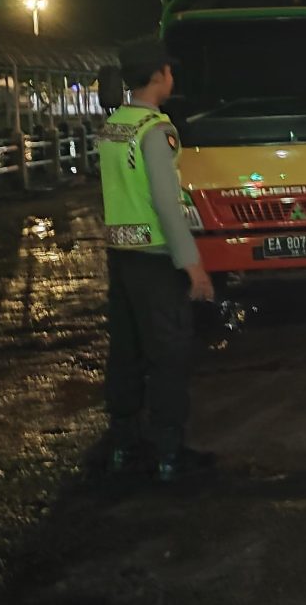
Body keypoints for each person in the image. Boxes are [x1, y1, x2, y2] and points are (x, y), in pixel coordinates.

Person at [96, 37, 216, 483]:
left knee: (126, 351)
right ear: (160, 74)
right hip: (155, 258)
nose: (173, 77)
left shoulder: (114, 127)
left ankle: (124, 446)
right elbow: (167, 203)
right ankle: (169, 453)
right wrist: (193, 266)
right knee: (168, 354)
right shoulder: (155, 129)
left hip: (120, 256)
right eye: (170, 70)